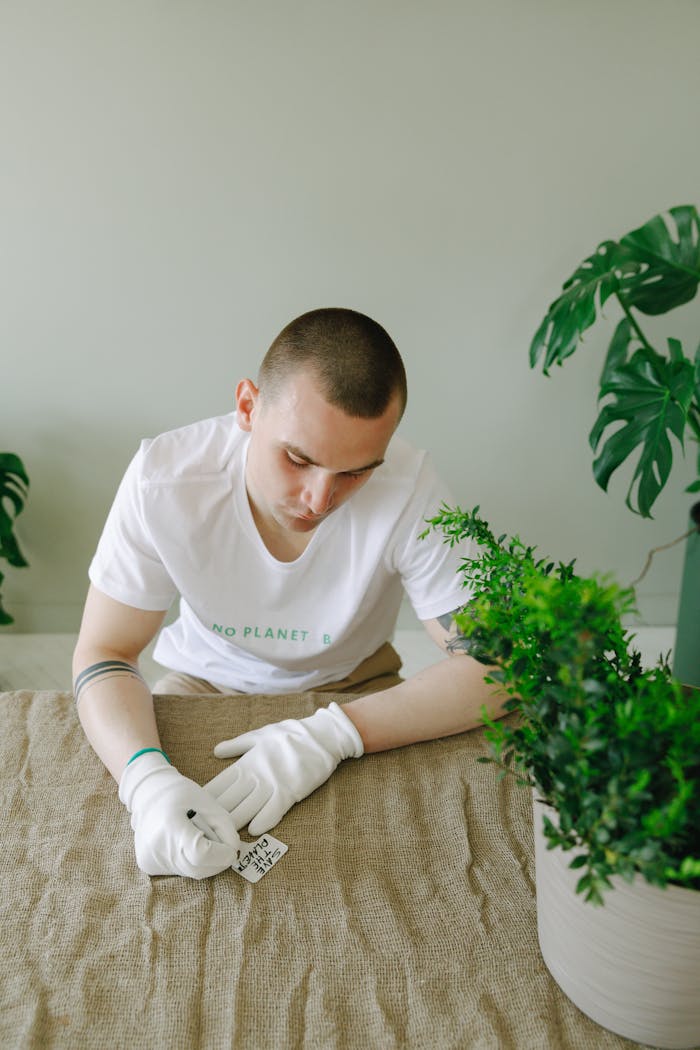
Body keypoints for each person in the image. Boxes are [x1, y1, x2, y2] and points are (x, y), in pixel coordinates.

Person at [72, 307, 507, 880]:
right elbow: (106, 649)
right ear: (248, 407)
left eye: (356, 473)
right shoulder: (166, 480)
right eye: (298, 459)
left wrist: (335, 734)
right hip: (206, 682)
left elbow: (501, 666)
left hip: (357, 684)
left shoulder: (411, 487)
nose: (319, 500)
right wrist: (145, 780)